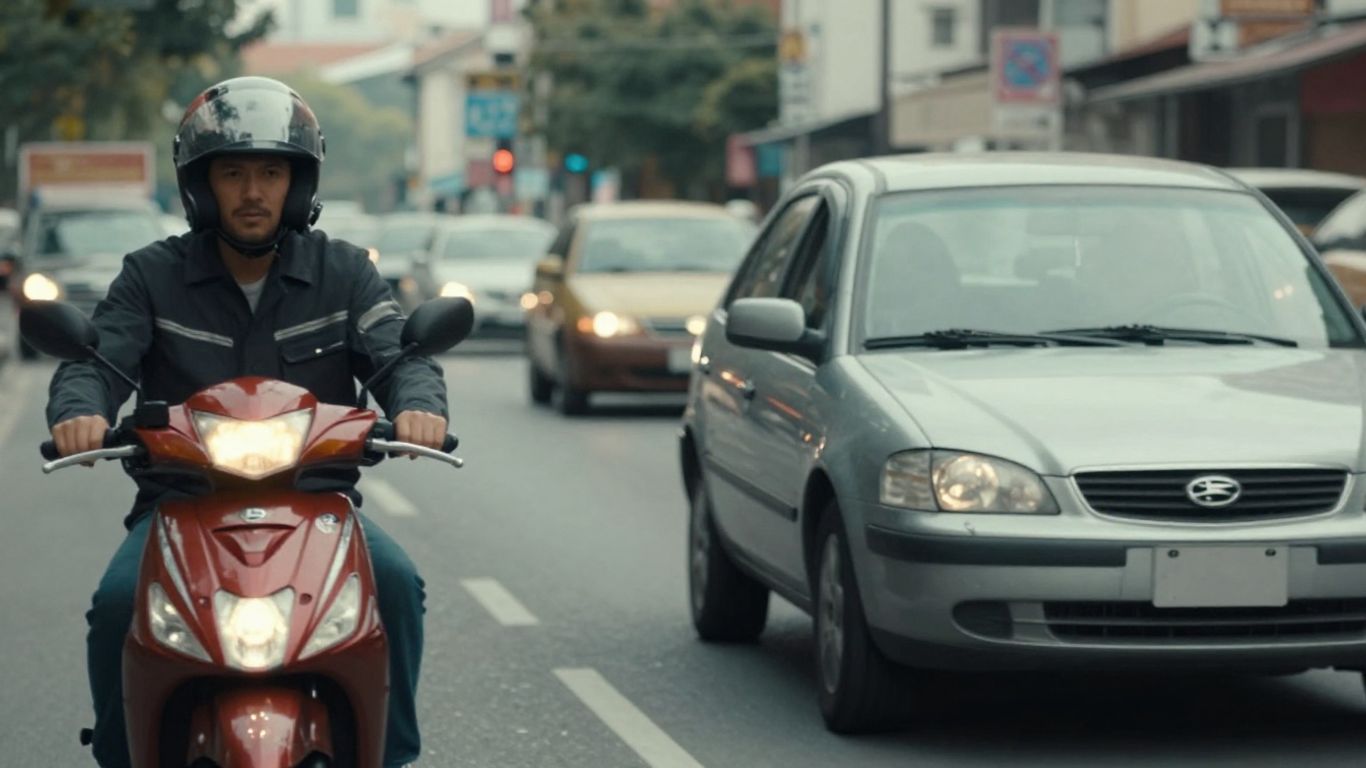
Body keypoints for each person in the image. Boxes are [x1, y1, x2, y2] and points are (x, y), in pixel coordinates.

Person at [45, 76, 445, 768]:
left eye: (271, 173)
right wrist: (80, 410)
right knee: (116, 606)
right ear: (201, 186)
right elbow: (97, 360)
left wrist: (419, 407)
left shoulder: (345, 273)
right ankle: (121, 755)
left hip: (316, 505)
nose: (253, 192)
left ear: (299, 183)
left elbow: (399, 354)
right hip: (180, 507)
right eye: (232, 174)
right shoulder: (151, 276)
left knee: (397, 586)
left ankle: (393, 755)